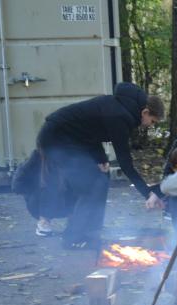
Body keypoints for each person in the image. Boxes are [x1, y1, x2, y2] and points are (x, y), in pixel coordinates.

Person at [35, 82, 165, 248]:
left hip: (72, 139)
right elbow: (125, 163)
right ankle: (73, 238)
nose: (150, 125)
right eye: (152, 121)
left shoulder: (122, 107)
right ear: (145, 112)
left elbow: (91, 129)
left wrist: (100, 157)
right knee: (91, 185)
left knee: (100, 179)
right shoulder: (120, 116)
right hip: (56, 139)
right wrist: (148, 193)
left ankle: (91, 230)